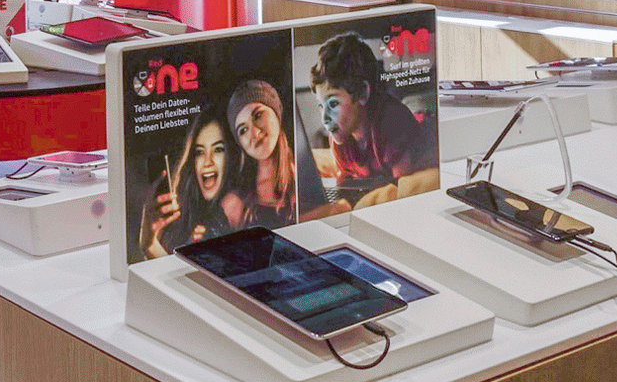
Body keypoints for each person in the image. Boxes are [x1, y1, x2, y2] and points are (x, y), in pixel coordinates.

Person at [309, 32, 440, 210]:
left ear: (362, 92)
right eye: (320, 106)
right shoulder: (339, 136)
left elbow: (401, 190)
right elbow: (345, 184)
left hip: (425, 124)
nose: (324, 119)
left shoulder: (393, 124)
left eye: (333, 103)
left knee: (419, 104)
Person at [137, 113, 245, 259]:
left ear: (233, 155)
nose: (207, 162)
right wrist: (149, 245)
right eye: (199, 152)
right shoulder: (192, 220)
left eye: (218, 149)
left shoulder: (245, 212)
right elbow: (175, 276)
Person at [227, 78, 297, 228]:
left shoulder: (309, 172)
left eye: (258, 115)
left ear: (277, 113)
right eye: (243, 130)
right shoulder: (234, 203)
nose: (254, 132)